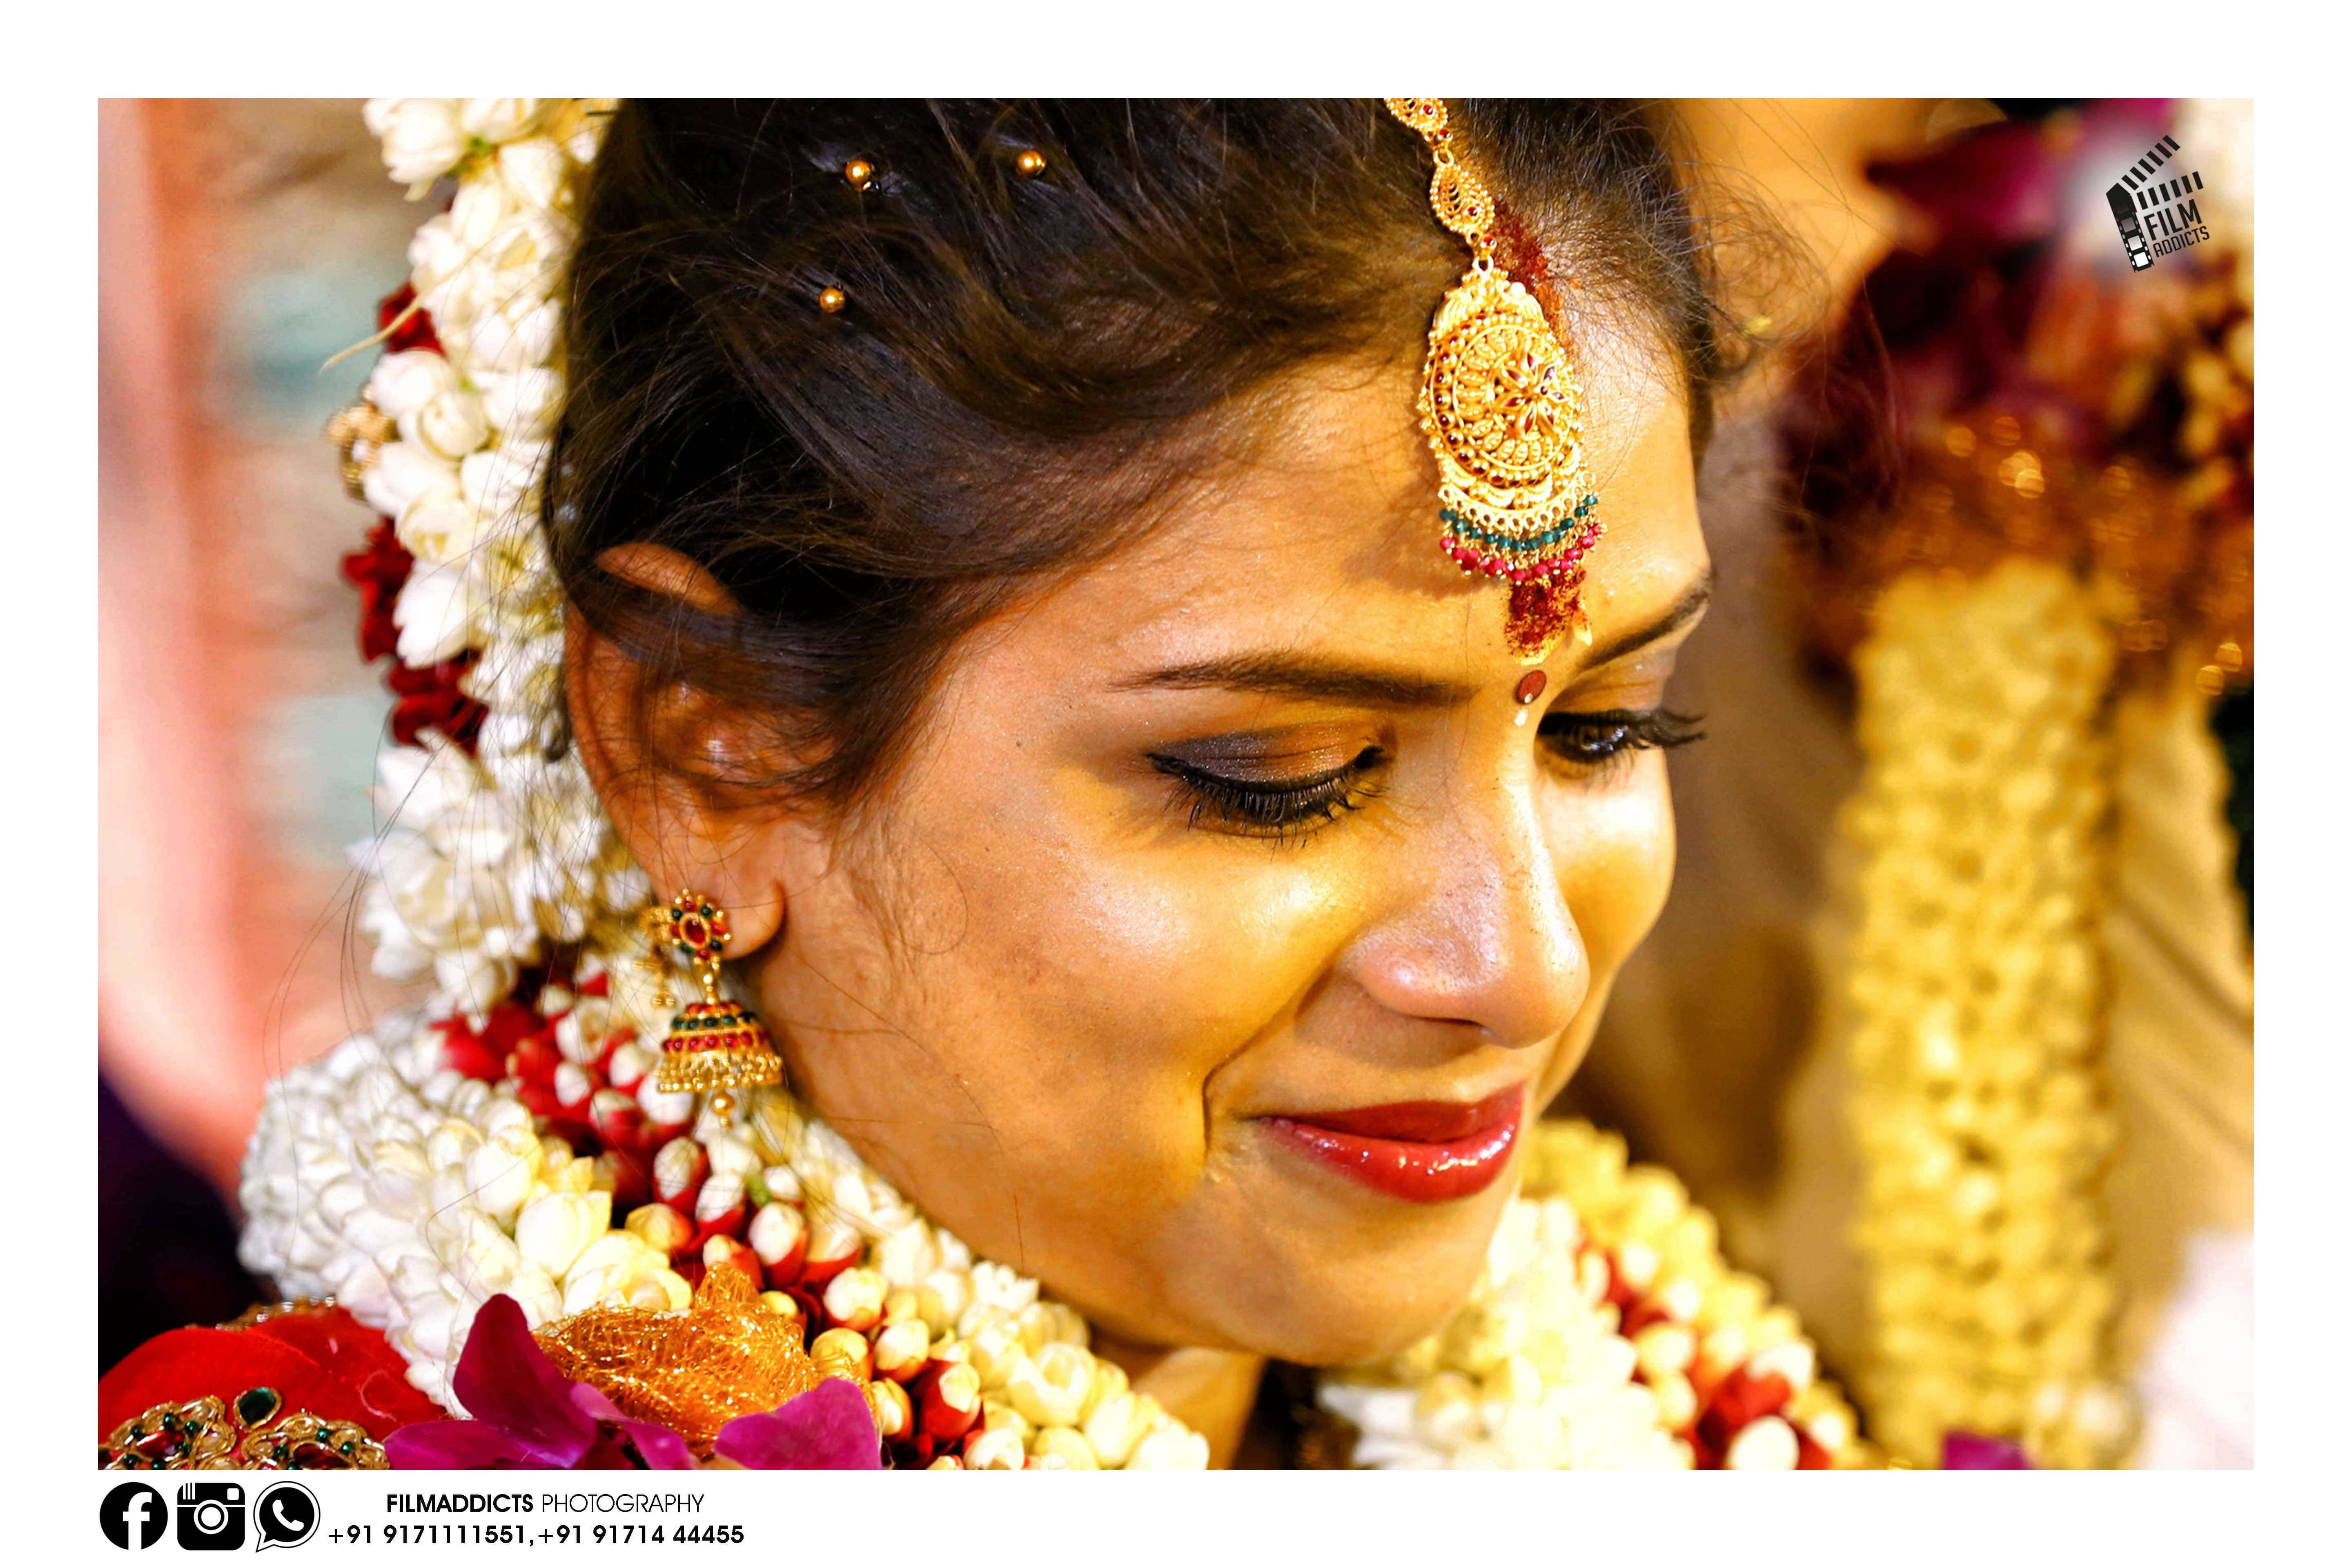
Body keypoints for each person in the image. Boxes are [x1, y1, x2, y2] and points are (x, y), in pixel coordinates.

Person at [102, 98, 1879, 1472]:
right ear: (709, 746)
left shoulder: (1701, 1414)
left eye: (1605, 728)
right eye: (1283, 777)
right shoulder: (404, 1473)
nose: (1524, 968)